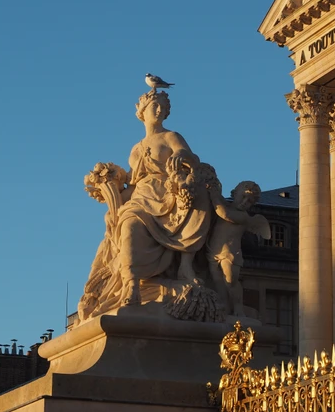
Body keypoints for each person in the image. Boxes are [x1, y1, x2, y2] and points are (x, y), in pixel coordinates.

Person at [114, 91, 214, 305]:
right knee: (129, 225)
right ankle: (132, 285)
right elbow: (133, 183)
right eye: (155, 106)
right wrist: (112, 196)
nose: (159, 110)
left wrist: (181, 155)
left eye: (163, 107)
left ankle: (183, 267)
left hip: (168, 193)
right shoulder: (136, 148)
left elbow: (192, 159)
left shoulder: (171, 137)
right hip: (141, 197)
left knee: (196, 198)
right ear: (143, 111)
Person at [206, 181, 270, 317]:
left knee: (230, 281)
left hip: (230, 253)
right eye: (243, 197)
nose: (245, 202)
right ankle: (224, 306)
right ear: (234, 193)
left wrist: (213, 194)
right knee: (217, 281)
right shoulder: (225, 204)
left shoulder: (243, 216)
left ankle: (238, 306)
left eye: (250, 201)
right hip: (214, 250)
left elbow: (224, 213)